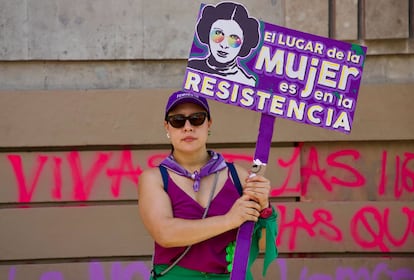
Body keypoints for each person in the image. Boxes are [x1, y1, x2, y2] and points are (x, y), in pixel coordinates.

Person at [138, 90, 277, 279]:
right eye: (178, 120)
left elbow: (263, 245)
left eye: (197, 118)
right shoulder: (154, 178)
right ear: (167, 127)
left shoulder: (238, 176)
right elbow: (165, 233)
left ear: (208, 124)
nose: (187, 127)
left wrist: (264, 207)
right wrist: (230, 220)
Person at [187, 2, 260, 86]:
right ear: (207, 32)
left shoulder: (247, 83)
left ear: (244, 43)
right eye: (218, 33)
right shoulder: (192, 67)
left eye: (234, 39)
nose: (224, 45)